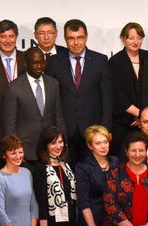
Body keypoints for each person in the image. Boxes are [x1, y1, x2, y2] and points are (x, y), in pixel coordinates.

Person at [46, 19, 112, 147]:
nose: (76, 43)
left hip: (93, 132)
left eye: (80, 38)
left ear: (86, 38)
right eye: (71, 38)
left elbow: (107, 98)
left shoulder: (100, 61)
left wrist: (106, 129)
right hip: (63, 131)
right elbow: (50, 100)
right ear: (65, 39)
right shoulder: (54, 62)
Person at [3, 46, 65, 157]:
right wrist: (14, 150)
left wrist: (62, 142)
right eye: (35, 63)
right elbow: (10, 123)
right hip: (26, 149)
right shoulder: (14, 87)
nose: (39, 66)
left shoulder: (53, 83)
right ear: (26, 64)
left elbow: (58, 116)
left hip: (50, 148)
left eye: (42, 62)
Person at [108, 22, 148, 143]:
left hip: (147, 123)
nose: (135, 42)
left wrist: (145, 116)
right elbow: (116, 94)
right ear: (123, 39)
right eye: (131, 38)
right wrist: (140, 114)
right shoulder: (115, 61)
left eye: (139, 38)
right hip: (124, 122)